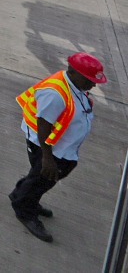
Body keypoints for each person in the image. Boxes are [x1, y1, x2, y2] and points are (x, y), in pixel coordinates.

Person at [10, 52, 107, 242]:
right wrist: (47, 158)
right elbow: (44, 126)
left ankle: (21, 195)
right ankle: (24, 211)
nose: (94, 85)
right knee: (43, 177)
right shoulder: (55, 94)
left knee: (41, 179)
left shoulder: (74, 85)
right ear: (73, 72)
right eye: (89, 80)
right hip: (49, 149)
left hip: (63, 147)